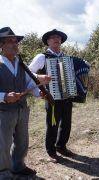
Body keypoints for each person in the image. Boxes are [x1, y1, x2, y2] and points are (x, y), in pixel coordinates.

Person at [0, 27, 50, 179]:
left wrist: (38, 92)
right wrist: (4, 96)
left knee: (22, 140)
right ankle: (3, 173)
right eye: (10, 41)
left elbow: (28, 83)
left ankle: (18, 166)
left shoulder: (21, 63)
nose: (15, 44)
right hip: (4, 111)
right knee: (3, 144)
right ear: (1, 45)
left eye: (16, 41)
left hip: (22, 108)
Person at [29, 29, 74, 160]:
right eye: (53, 37)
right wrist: (40, 78)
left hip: (67, 95)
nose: (56, 39)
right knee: (52, 124)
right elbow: (28, 72)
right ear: (48, 41)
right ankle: (51, 150)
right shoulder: (42, 57)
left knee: (66, 123)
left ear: (61, 41)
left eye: (58, 37)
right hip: (51, 95)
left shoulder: (67, 57)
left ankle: (61, 146)